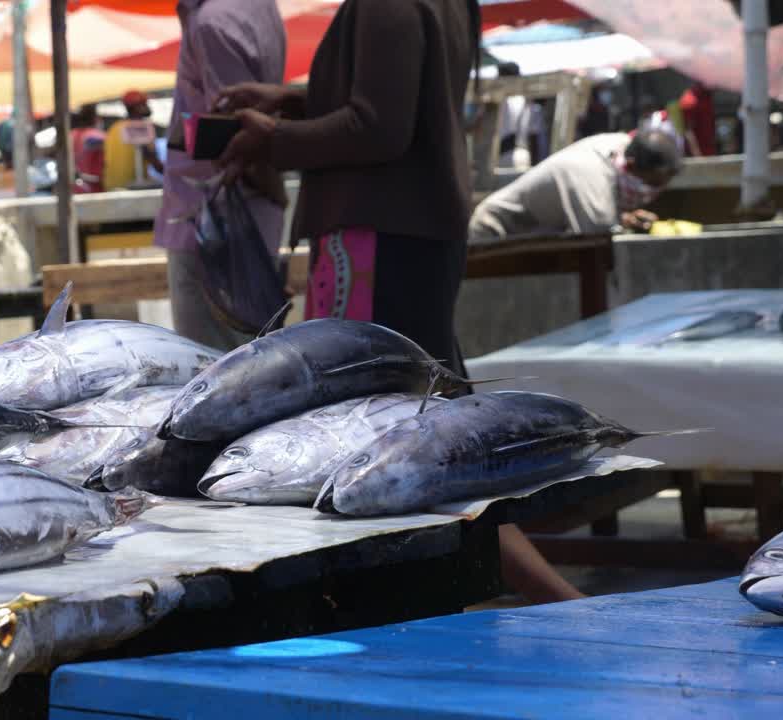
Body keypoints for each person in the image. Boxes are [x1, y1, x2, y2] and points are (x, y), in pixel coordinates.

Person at [217, 0, 587, 604]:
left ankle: (555, 601)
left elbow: (379, 127)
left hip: (376, 236)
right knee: (434, 435)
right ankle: (547, 598)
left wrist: (277, 138)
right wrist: (298, 102)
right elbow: (400, 105)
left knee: (408, 441)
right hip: (409, 232)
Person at [153, 0, 287, 350]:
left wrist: (274, 187)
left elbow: (238, 137)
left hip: (213, 229)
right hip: (238, 222)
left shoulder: (213, 23)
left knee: (215, 371)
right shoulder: (254, 8)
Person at [469, 127, 683, 241]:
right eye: (652, 182)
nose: (653, 192)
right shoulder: (592, 179)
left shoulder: (619, 145)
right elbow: (601, 245)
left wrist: (624, 218)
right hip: (496, 234)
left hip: (537, 232)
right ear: (632, 166)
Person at [102, 90, 163, 190]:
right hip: (131, 187)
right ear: (137, 107)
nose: (148, 107)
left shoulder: (114, 127)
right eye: (145, 104)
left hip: (111, 186)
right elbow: (154, 161)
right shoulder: (141, 127)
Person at [495, 62, 546, 170]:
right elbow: (534, 138)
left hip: (502, 155)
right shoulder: (528, 102)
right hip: (523, 156)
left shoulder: (497, 101)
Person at [70, 104, 106, 192]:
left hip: (76, 187)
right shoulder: (98, 136)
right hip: (97, 187)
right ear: (95, 118)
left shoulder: (71, 135)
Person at [678, 80, 716, 157]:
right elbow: (688, 131)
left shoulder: (706, 97)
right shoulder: (690, 101)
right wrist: (698, 156)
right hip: (698, 156)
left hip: (709, 152)